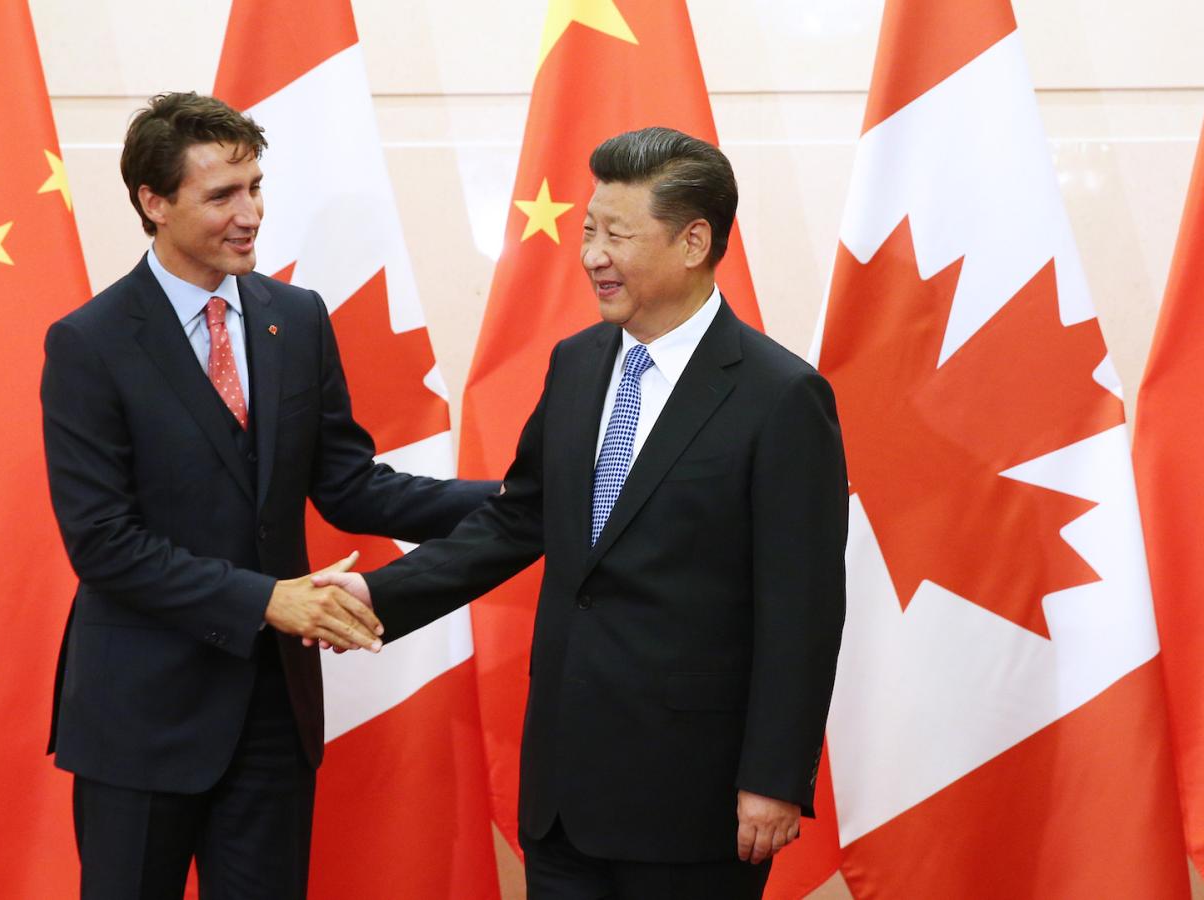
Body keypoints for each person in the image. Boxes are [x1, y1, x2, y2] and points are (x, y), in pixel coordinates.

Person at [318, 126, 848, 897]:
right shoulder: (577, 362)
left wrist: (773, 776)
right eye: (587, 231)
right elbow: (519, 517)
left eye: (616, 235)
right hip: (564, 793)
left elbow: (803, 606)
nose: (592, 255)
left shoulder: (780, 397)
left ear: (694, 241)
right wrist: (379, 594)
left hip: (691, 797)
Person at [39, 91, 496, 900]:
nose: (250, 213)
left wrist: (521, 498)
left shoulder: (298, 317)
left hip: (270, 717)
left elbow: (352, 486)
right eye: (222, 195)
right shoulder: (89, 343)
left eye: (255, 187)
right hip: (140, 718)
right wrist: (267, 602)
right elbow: (103, 541)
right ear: (154, 202)